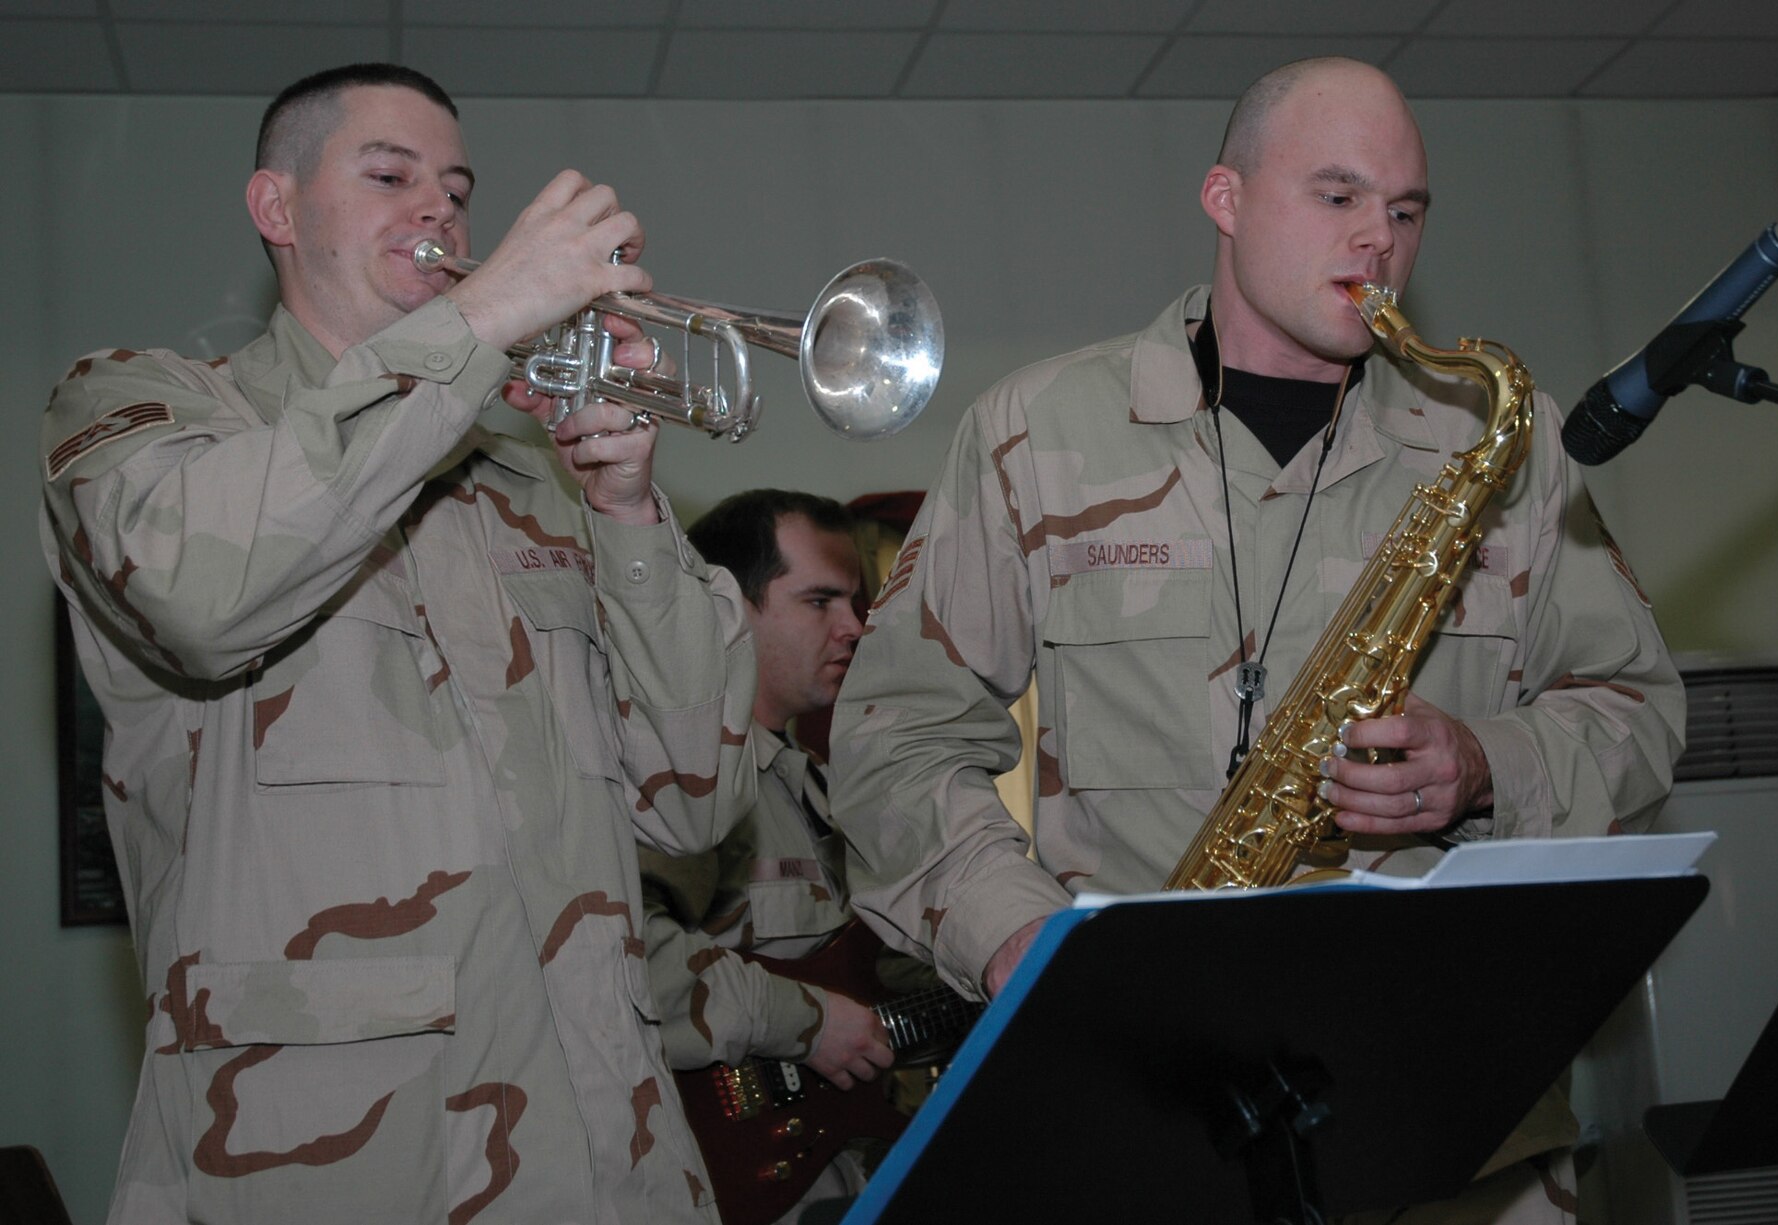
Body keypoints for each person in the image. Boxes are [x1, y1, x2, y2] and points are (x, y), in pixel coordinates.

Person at [829, 56, 1684, 1223]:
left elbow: (1638, 712)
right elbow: (893, 741)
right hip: (1150, 1131)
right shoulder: (1035, 432)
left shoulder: (1504, 437)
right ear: (1223, 199)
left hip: (1458, 1142)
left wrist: (1487, 762)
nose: (1375, 240)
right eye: (1335, 198)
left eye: (1404, 209)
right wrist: (1015, 939)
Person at [39, 63, 758, 1225]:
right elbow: (199, 594)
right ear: (276, 210)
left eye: (458, 189)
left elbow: (695, 806)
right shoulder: (150, 411)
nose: (438, 209)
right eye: (390, 176)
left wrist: (626, 510)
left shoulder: (530, 483)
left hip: (608, 1162)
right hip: (333, 1167)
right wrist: (479, 321)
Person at [641, 490, 916, 1221]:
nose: (853, 626)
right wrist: (803, 1019)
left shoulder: (815, 784)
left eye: (854, 602)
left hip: (833, 1171)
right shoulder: (675, 785)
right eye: (820, 600)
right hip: (720, 1177)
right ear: (729, 606)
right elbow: (622, 964)